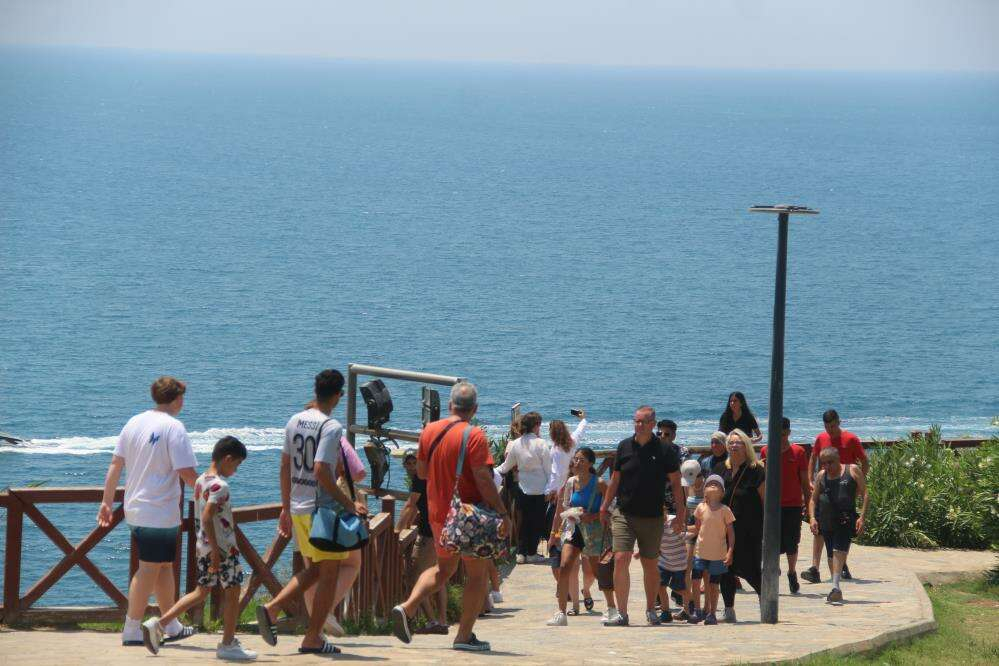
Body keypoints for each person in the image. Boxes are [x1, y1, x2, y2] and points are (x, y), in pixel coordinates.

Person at [391, 382, 510, 652]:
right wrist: (503, 512)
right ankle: (463, 636)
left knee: (443, 570)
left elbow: (422, 473)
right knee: (477, 575)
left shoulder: (429, 431)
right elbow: (483, 478)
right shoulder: (474, 435)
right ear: (474, 409)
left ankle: (407, 607)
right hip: (468, 515)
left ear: (449, 405)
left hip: (438, 514)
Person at [255, 369, 368, 655]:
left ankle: (273, 609)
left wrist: (285, 507)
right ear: (338, 395)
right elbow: (321, 471)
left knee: (317, 569)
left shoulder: (294, 420)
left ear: (316, 391)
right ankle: (312, 637)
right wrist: (349, 504)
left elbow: (284, 466)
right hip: (321, 511)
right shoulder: (331, 427)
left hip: (297, 506)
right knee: (329, 574)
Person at [97, 376, 198, 648]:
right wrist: (209, 489)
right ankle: (131, 628)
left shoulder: (134, 422)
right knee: (149, 568)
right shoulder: (174, 427)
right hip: (158, 510)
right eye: (182, 397)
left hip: (137, 508)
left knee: (164, 566)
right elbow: (186, 472)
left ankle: (171, 623)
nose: (183, 402)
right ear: (176, 399)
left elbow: (115, 464)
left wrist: (106, 501)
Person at [141, 437, 256, 660]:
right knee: (233, 592)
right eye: (237, 464)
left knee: (201, 591)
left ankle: (159, 624)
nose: (236, 470)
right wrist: (217, 553)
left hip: (202, 546)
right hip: (222, 550)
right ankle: (228, 644)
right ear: (227, 459)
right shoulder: (220, 486)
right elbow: (207, 517)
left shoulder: (201, 480)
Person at [599, 406, 685, 627]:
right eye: (636, 421)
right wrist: (604, 506)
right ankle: (622, 613)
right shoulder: (624, 446)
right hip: (624, 513)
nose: (639, 425)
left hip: (653, 516)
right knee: (621, 558)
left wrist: (681, 514)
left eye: (643, 421)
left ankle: (650, 610)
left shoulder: (665, 449)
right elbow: (615, 479)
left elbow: (676, 483)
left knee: (650, 564)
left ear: (652, 424)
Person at [545, 447, 615, 626]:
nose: (577, 462)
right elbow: (563, 507)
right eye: (575, 459)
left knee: (596, 571)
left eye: (581, 460)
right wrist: (555, 532)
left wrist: (594, 515)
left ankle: (611, 607)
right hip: (574, 529)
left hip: (594, 531)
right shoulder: (570, 482)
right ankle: (561, 613)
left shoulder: (600, 483)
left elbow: (612, 507)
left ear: (591, 463)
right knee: (564, 566)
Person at [803, 409, 869, 584]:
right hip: (825, 488)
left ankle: (842, 565)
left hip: (844, 488)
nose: (830, 430)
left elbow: (864, 461)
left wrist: (857, 484)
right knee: (819, 528)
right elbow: (813, 458)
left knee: (842, 528)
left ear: (839, 422)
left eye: (832, 426)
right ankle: (815, 568)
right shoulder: (821, 438)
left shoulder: (851, 439)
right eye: (827, 427)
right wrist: (810, 480)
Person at [713, 429, 765, 623]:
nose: (734, 446)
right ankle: (729, 610)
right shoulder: (720, 468)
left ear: (746, 446)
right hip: (723, 528)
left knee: (751, 569)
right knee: (726, 570)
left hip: (749, 528)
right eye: (731, 442)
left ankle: (766, 603)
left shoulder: (756, 470)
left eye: (738, 442)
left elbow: (765, 501)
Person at [808, 447, 868, 603]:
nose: (827, 466)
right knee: (830, 554)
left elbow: (865, 493)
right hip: (826, 519)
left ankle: (835, 587)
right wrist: (812, 518)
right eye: (824, 463)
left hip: (845, 518)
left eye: (830, 462)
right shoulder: (821, 476)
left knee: (838, 550)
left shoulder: (852, 470)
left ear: (838, 459)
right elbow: (813, 499)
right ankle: (835, 587)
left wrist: (862, 517)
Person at [398, 453, 448, 634]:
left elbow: (410, 505)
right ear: (404, 466)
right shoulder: (430, 478)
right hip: (442, 532)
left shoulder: (419, 480)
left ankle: (433, 621)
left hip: (429, 534)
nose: (412, 466)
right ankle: (442, 621)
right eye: (409, 463)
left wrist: (396, 530)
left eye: (415, 463)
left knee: (415, 578)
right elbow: (417, 506)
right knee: (439, 575)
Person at [760, 417, 811, 593]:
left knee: (792, 542)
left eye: (782, 434)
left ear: (788, 433)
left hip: (793, 504)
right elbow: (763, 479)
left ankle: (791, 572)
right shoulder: (766, 451)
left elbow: (805, 482)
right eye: (776, 434)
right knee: (771, 541)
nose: (780, 438)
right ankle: (774, 569)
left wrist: (809, 507)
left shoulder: (798, 452)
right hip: (772, 506)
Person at [495, 411, 552, 564]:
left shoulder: (516, 443)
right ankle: (532, 553)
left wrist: (490, 472)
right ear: (536, 425)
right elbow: (549, 470)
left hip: (521, 487)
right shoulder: (541, 443)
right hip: (540, 489)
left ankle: (521, 553)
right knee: (536, 521)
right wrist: (551, 489)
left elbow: (505, 467)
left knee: (522, 521)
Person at [687, 475, 735, 625]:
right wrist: (682, 531)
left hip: (718, 555)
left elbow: (731, 533)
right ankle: (697, 610)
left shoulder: (725, 510)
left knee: (714, 585)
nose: (713, 485)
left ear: (722, 492)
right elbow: (697, 528)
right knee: (695, 580)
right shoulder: (700, 508)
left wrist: (730, 551)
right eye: (710, 484)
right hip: (700, 552)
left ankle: (712, 613)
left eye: (717, 484)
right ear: (704, 491)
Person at [656, 512, 689, 624]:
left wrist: (685, 529)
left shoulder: (674, 520)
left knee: (679, 588)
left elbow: (687, 532)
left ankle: (691, 607)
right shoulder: (653, 524)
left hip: (679, 562)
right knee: (660, 586)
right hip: (663, 562)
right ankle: (665, 612)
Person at [657, 419, 690, 515]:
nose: (662, 436)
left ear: (674, 436)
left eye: (666, 434)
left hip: (675, 501)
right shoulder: (650, 451)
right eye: (659, 433)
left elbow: (685, 477)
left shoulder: (682, 452)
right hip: (655, 499)